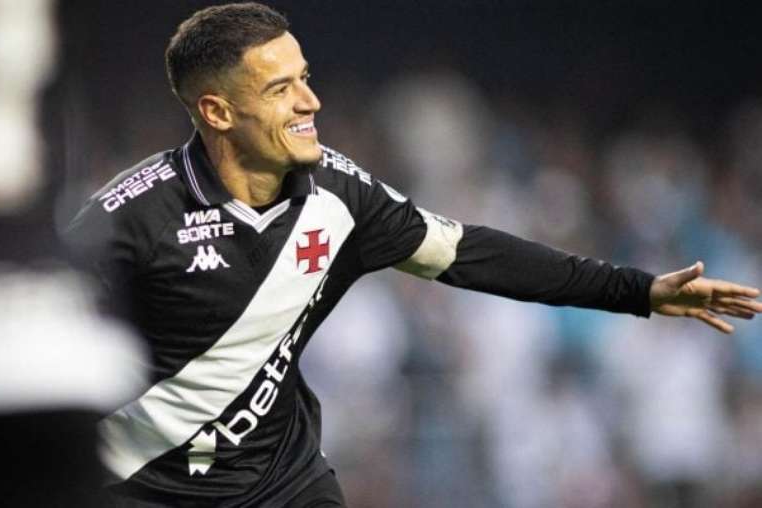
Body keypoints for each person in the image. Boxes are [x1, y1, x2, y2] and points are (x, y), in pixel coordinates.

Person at [63, 3, 762, 507]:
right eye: (281, 89)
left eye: (305, 77)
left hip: (283, 485)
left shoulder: (339, 194)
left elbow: (471, 254)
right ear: (217, 112)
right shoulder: (125, 221)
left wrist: (636, 291)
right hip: (149, 488)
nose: (310, 101)